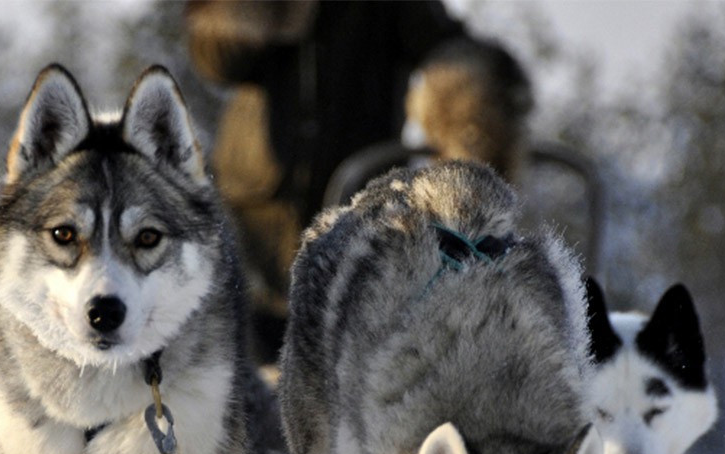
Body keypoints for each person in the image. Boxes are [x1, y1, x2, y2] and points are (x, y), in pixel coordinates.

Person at [185, 0, 533, 362]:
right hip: (256, 207)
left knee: (349, 357)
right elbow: (216, 62)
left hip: (362, 202)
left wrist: (476, 112)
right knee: (254, 363)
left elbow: (446, 47)